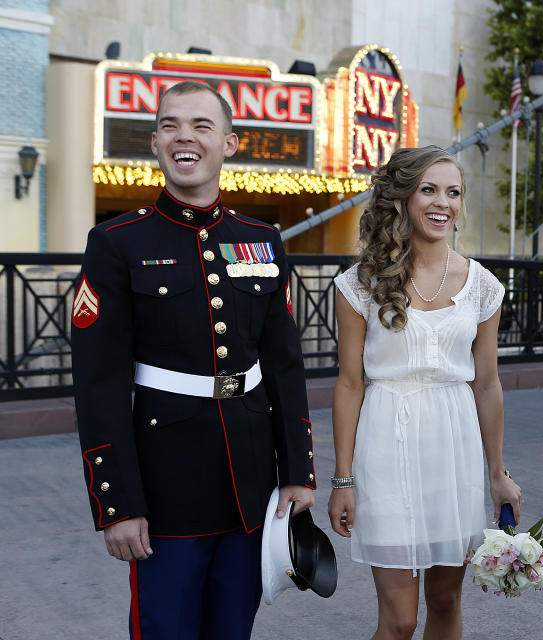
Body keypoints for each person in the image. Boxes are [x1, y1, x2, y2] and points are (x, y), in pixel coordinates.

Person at [71, 80, 317, 639]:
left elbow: (284, 366)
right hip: (165, 487)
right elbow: (99, 384)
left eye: (202, 126)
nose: (185, 136)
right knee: (166, 628)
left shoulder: (260, 240)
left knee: (233, 629)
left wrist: (298, 473)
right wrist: (118, 503)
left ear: (229, 143)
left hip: (250, 482)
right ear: (156, 143)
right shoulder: (116, 242)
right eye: (170, 125)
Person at [327, 145, 521, 640]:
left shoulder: (482, 287)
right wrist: (342, 479)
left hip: (453, 449)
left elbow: (487, 384)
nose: (443, 203)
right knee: (399, 622)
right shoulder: (359, 284)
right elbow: (350, 385)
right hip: (384, 444)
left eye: (453, 192)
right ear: (403, 200)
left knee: (444, 600)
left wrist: (497, 474)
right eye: (429, 190)